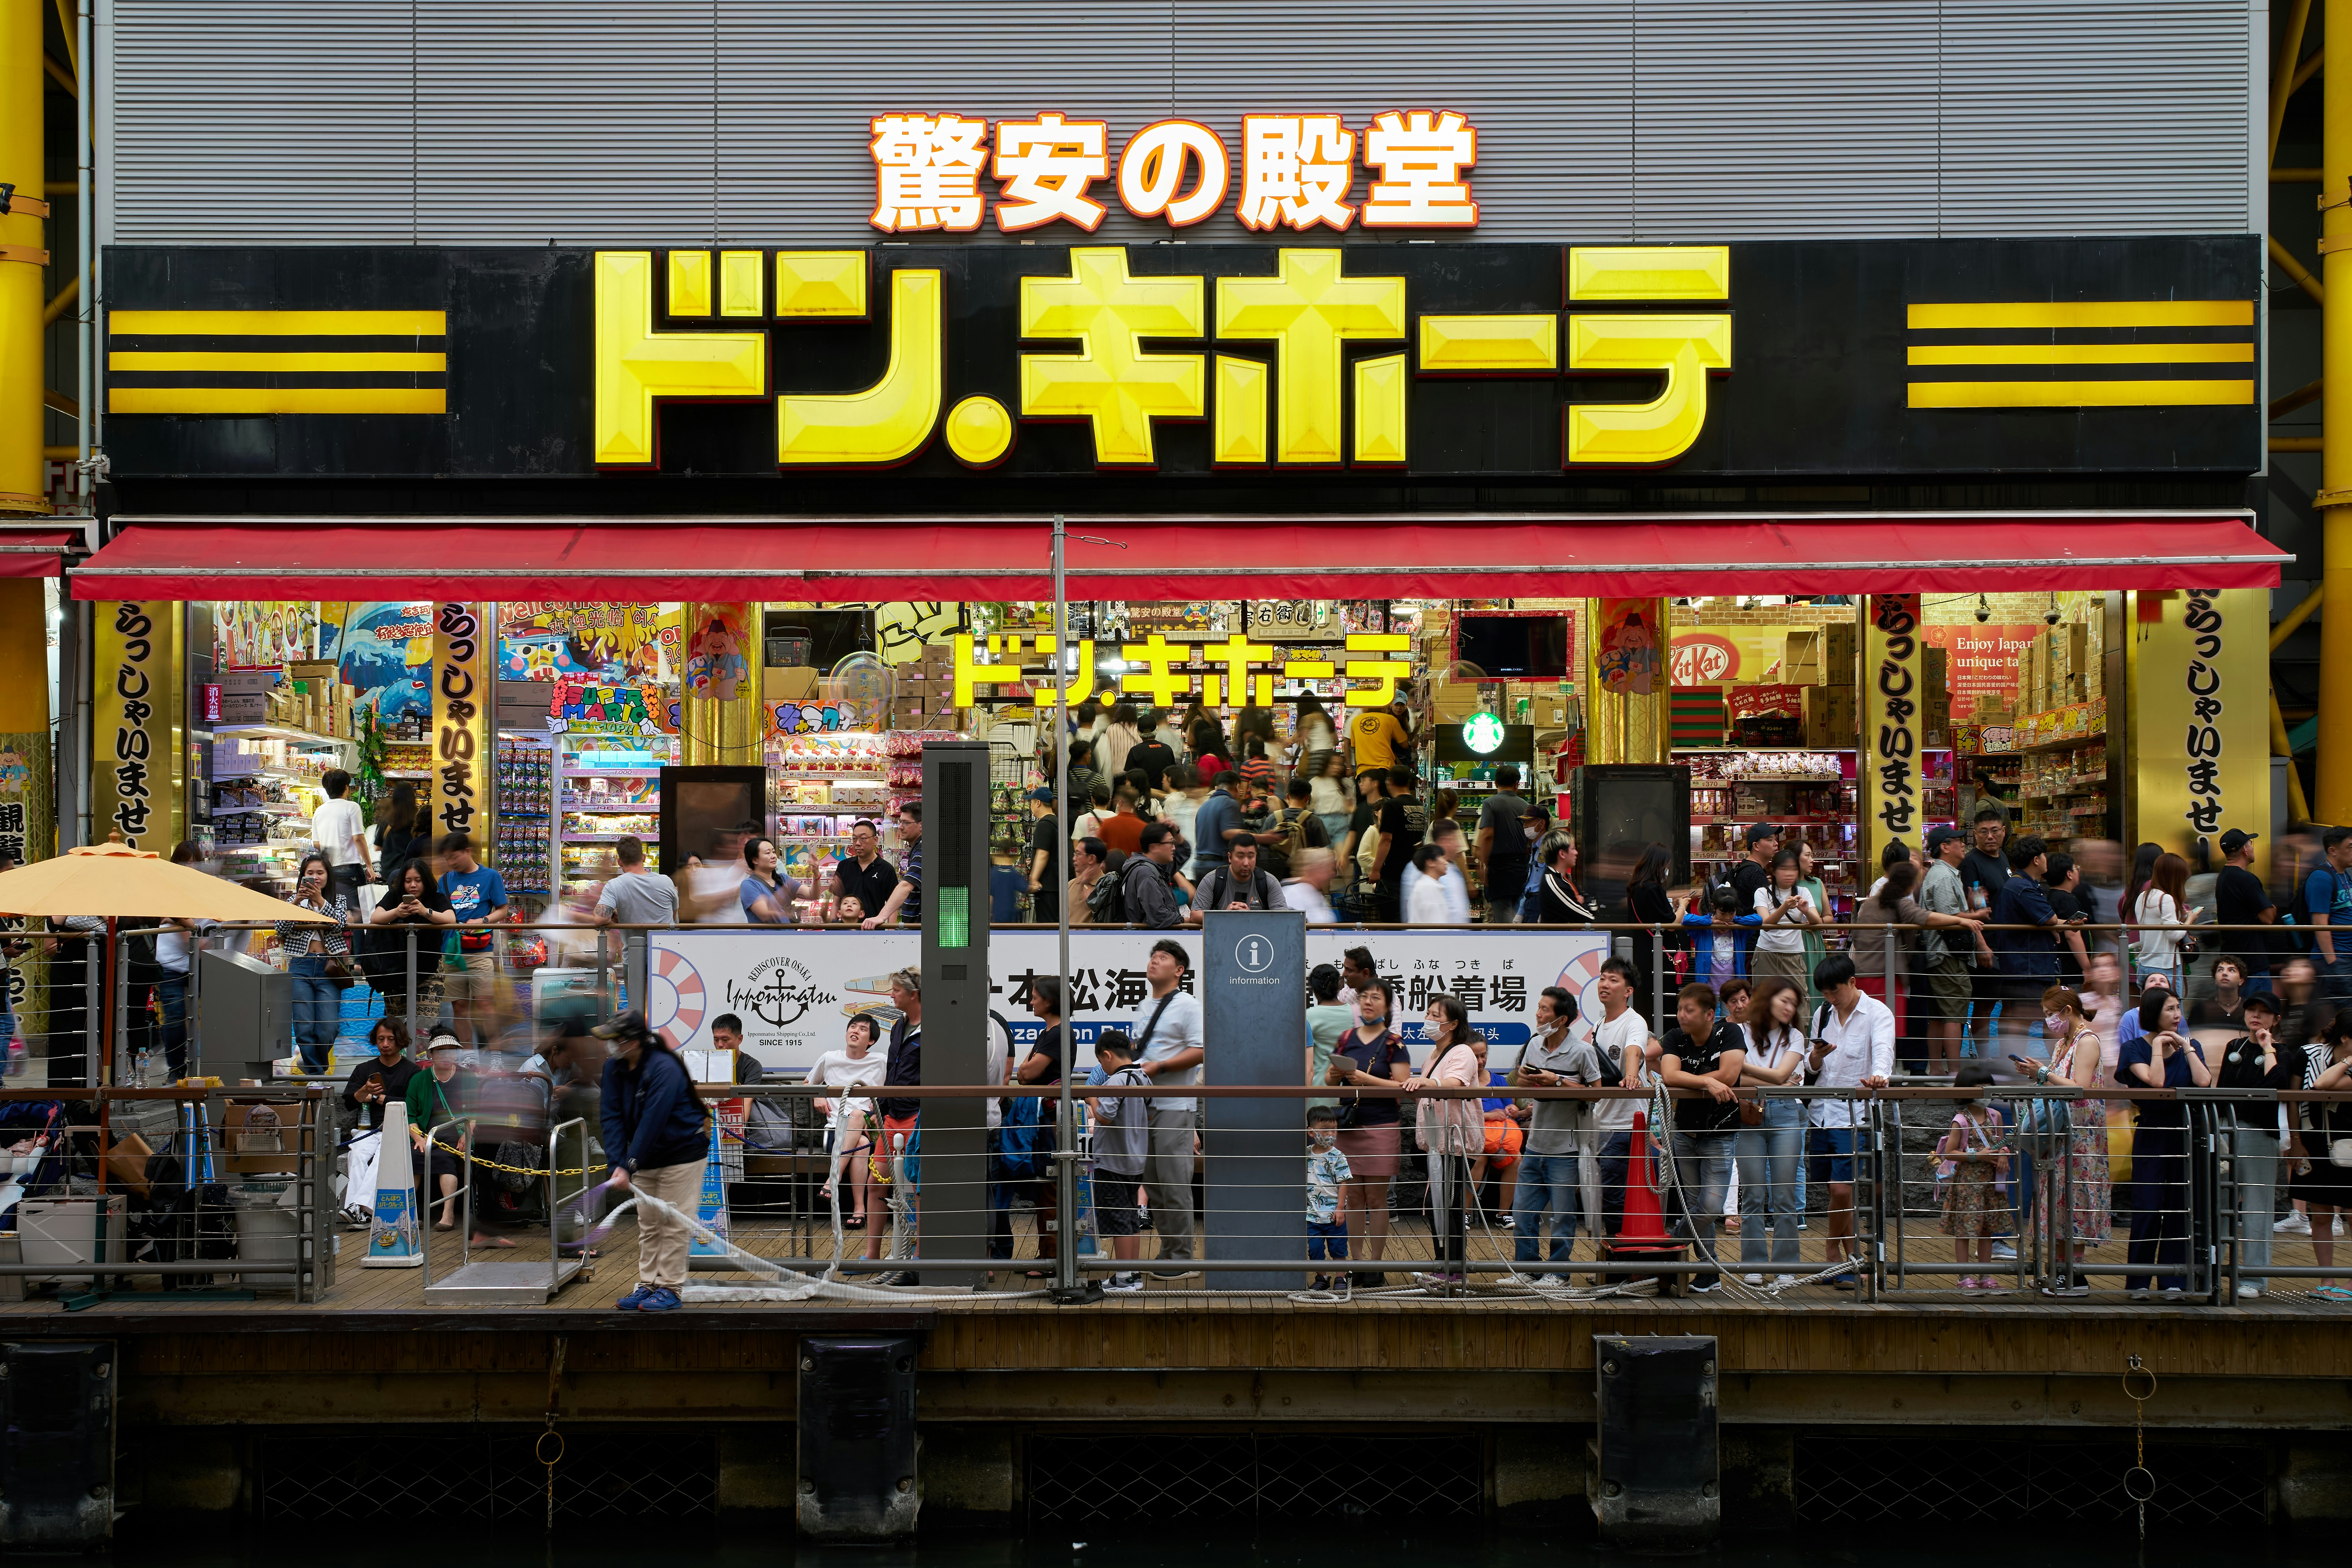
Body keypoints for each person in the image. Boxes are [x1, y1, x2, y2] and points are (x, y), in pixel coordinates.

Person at [594, 1010, 709, 1311]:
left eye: (616, 1039)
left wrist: (628, 1164)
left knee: (673, 1221)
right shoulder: (613, 1068)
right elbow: (611, 1117)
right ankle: (647, 1284)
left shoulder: (665, 1066)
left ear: (632, 1041)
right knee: (649, 1223)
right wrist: (617, 1162)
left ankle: (670, 1287)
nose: (610, 1045)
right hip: (644, 1157)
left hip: (682, 1152)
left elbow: (653, 1119)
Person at [1807, 954, 1895, 1288]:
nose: (1830, 999)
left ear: (1853, 983)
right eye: (1825, 993)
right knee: (1834, 1190)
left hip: (1853, 1114)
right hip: (1820, 1113)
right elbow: (1811, 1067)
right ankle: (1851, 1262)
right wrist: (1814, 1057)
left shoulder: (1877, 1013)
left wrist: (1879, 1076)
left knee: (1843, 1189)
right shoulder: (1821, 1014)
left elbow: (1883, 1051)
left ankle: (1832, 1254)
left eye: (1834, 992)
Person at [2116, 987, 2211, 1296]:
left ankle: (2174, 1278)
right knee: (2147, 1207)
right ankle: (2139, 1280)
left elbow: (2203, 1081)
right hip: (2152, 1132)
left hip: (2184, 1133)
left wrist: (2186, 1048)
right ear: (2154, 1013)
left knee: (2178, 1208)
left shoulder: (2190, 1045)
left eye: (2178, 1008)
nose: (2176, 1014)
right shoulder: (2133, 1047)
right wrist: (2158, 1045)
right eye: (2170, 1009)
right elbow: (2155, 1081)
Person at [2019, 984, 2112, 1287]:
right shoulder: (2062, 1043)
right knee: (2058, 1200)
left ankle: (2074, 1274)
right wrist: (2039, 1074)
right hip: (2062, 1131)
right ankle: (2056, 1270)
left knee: (2075, 1197)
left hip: (2082, 1133)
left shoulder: (2088, 1041)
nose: (2049, 1020)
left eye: (2051, 1014)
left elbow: (2079, 1085)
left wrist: (2043, 1073)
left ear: (2068, 1011)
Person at [2207, 989, 2295, 1297]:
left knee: (2258, 1209)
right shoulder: (2233, 1046)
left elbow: (2276, 1084)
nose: (2255, 1015)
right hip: (2226, 1130)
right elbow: (2221, 1092)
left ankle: (2255, 1279)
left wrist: (2267, 1046)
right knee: (2220, 1205)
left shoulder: (2282, 1052)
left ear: (2276, 1018)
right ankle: (2214, 1273)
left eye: (2263, 1011)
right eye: (2251, 1009)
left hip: (2260, 1135)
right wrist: (2217, 1131)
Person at [1325, 978, 1411, 1285]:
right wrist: (1335, 1073)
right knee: (1353, 1198)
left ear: (1388, 1006)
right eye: (1364, 996)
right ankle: (1356, 1263)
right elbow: (1328, 1082)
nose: (1368, 1002)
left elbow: (1402, 1087)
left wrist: (1364, 1078)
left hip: (1380, 1126)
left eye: (1376, 997)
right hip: (1349, 1127)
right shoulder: (1346, 1036)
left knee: (1376, 1198)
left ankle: (1375, 1266)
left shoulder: (1393, 1043)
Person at [1658, 981, 1745, 1287]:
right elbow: (1668, 1075)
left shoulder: (1730, 1033)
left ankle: (1669, 1242)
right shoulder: (1674, 1038)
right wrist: (1707, 1083)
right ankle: (1709, 1272)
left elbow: (1730, 1075)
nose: (1681, 1015)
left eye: (1689, 1010)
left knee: (1709, 1206)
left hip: (1720, 1131)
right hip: (1685, 1131)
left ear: (1710, 1014)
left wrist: (1691, 1079)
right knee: (1696, 1203)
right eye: (1680, 1008)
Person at [1511, 984, 1599, 1277]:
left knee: (1562, 1216)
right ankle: (1527, 1269)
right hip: (1535, 1143)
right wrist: (1527, 1078)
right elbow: (1521, 1085)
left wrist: (1557, 1082)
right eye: (1538, 1007)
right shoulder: (1534, 1043)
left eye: (1544, 1009)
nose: (1538, 1014)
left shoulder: (1582, 1051)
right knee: (1522, 1212)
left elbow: (1596, 1093)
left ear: (1561, 1019)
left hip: (1566, 1147)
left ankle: (1558, 1273)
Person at [1129, 938, 1205, 1274]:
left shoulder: (1188, 1005)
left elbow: (1201, 1050)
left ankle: (1181, 1257)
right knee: (1154, 1184)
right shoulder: (1144, 1005)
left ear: (1179, 970)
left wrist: (1160, 1067)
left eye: (1162, 957)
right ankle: (1168, 1250)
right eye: (1152, 956)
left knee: (1174, 1184)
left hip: (1175, 1104)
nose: (1154, 961)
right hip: (1144, 1105)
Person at [1733, 976, 1809, 1284]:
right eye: (1785, 1000)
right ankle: (1752, 1264)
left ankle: (1786, 1266)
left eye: (1794, 1003)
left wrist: (1741, 1066)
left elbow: (1780, 1076)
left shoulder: (1795, 1037)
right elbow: (1775, 1079)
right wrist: (1775, 1080)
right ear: (1768, 998)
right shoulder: (1738, 1031)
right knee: (1751, 1193)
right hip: (1748, 1113)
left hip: (1786, 1113)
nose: (1790, 1008)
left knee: (1784, 1194)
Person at [1407, 993, 1484, 1287]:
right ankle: (1444, 1268)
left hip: (1455, 1141)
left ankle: (1453, 1271)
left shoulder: (1461, 1052)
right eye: (1427, 1013)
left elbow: (1455, 1083)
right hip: (1435, 1141)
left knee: (1449, 1206)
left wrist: (1429, 1082)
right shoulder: (1433, 1054)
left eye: (1435, 1015)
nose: (1428, 1020)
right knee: (1436, 1204)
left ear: (1452, 1023)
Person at [406, 1033, 498, 1243]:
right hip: (427, 1134)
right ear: (431, 1054)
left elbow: (476, 1113)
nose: (447, 1055)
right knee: (414, 1158)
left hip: (458, 1133)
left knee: (445, 1159)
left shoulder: (468, 1078)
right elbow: (410, 1115)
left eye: (452, 1051)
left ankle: (448, 1213)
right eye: (441, 1051)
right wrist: (418, 1138)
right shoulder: (419, 1079)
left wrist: (467, 1134)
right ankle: (410, 1213)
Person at [1936, 1063, 2012, 1292]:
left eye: (1989, 1089)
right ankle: (1963, 1276)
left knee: (1987, 1230)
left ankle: (1986, 1275)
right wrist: (1976, 1156)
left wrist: (2004, 1156)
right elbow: (1950, 1152)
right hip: (1968, 1185)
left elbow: (2002, 1144)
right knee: (1965, 1230)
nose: (1985, 1094)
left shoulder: (1996, 1115)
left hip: (1990, 1184)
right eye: (1980, 1089)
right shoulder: (1961, 1120)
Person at [279, 852, 355, 1072]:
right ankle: (318, 1076)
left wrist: (319, 901)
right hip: (300, 966)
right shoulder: (293, 903)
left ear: (328, 876)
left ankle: (313, 1067)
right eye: (310, 873)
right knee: (304, 1026)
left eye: (320, 873)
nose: (316, 877)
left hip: (329, 968)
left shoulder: (337, 900)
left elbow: (339, 925)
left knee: (328, 1027)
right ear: (302, 876)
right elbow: (281, 928)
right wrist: (296, 902)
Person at [1088, 1030, 1150, 1293]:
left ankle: (1125, 1277)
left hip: (1113, 1162)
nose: (1103, 1067)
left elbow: (1105, 1116)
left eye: (1102, 1062)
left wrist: (1091, 1096)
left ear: (1107, 1055)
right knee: (1130, 1219)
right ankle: (1132, 1273)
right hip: (1135, 1160)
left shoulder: (1116, 1081)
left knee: (1117, 1219)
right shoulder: (1142, 1077)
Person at [810, 1015, 887, 1231]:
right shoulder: (830, 1058)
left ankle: (832, 1181)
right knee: (860, 1146)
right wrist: (818, 1095)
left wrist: (880, 1108)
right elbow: (809, 1083)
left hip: (868, 1128)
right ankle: (859, 1210)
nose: (855, 1031)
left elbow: (894, 1091)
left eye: (863, 1029)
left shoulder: (881, 1061)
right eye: (852, 1027)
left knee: (856, 1116)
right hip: (836, 1132)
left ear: (871, 1041)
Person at [1989, 836, 2064, 1055]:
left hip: (2027, 965)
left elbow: (2046, 919)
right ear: (2036, 860)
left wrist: (2060, 924)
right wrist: (2057, 925)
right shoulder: (2023, 887)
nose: (2046, 859)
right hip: (2029, 966)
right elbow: (2050, 918)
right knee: (2028, 1017)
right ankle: (2014, 1068)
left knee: (2037, 1017)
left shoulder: (2021, 884)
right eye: (2043, 855)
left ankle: (2028, 1067)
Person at [870, 968, 924, 1262]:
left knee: (917, 1186)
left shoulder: (935, 1027)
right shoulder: (898, 1025)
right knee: (876, 1180)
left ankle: (918, 1252)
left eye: (896, 990)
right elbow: (892, 1070)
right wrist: (883, 1108)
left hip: (918, 1112)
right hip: (892, 1113)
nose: (891, 995)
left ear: (913, 994)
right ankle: (871, 1253)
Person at [1919, 826, 1983, 1072]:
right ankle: (1955, 1073)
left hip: (1939, 953)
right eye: (1958, 841)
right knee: (1955, 1014)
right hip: (1949, 953)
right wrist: (1974, 914)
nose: (1963, 844)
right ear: (1945, 847)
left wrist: (1970, 912)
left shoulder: (1941, 874)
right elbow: (1949, 917)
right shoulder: (1944, 877)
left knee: (1938, 1015)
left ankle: (1937, 1070)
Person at [437, 833, 510, 1042]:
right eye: (447, 859)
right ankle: (468, 1057)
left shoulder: (491, 876)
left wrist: (483, 921)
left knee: (485, 1005)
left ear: (467, 852)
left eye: (454, 857)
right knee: (459, 1007)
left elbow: (503, 910)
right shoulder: (445, 880)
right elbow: (442, 910)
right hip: (452, 951)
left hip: (480, 950)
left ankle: (496, 1057)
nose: (451, 863)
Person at [2301, 1009, 2352, 1298]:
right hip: (2320, 1143)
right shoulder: (2314, 1055)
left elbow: (2321, 1086)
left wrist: (2347, 1060)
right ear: (2345, 1038)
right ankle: (2327, 1279)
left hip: (2348, 1147)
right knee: (2320, 1214)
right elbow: (2319, 1084)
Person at [153, 840, 208, 1078]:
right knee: (174, 1017)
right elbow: (187, 931)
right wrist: (186, 925)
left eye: (196, 863)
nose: (191, 867)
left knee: (206, 1018)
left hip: (200, 963)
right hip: (170, 963)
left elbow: (191, 927)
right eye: (186, 862)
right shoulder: (165, 887)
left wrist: (181, 923)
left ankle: (203, 1069)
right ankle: (176, 1069)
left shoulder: (207, 890)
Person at [1962, 808, 2013, 1050]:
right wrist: (1981, 944)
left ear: (2004, 832)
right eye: (1984, 832)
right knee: (1984, 1003)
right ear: (1975, 834)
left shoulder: (2003, 858)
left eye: (1995, 831)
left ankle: (2007, 1060)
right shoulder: (1971, 864)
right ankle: (1982, 1060)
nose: (1990, 836)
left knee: (2007, 1003)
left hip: (2008, 943)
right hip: (1987, 943)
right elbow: (1977, 905)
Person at [2132, 851, 2201, 996]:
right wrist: (2190, 920)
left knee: (2150, 1013)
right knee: (2171, 1013)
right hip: (2165, 968)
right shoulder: (2166, 899)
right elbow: (2174, 935)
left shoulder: (2142, 897)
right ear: (2175, 878)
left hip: (2145, 965)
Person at [2213, 829, 2275, 985]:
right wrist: (2273, 908)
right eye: (2251, 844)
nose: (2253, 848)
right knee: (2259, 1007)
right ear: (2245, 850)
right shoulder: (2247, 879)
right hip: (2252, 963)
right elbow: (2268, 918)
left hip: (2230, 961)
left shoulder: (2223, 877)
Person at [1472, 767, 1532, 925]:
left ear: (1495, 783)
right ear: (1517, 784)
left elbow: (1487, 835)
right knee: (1519, 917)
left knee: (1502, 922)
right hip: (1521, 869)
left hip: (1498, 869)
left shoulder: (1490, 803)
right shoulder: (1526, 806)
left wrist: (1483, 865)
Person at [1751, 849, 1816, 992]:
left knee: (1798, 1001)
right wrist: (1785, 907)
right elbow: (1766, 925)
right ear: (1774, 871)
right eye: (1784, 869)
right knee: (1763, 1002)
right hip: (1766, 954)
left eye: (1794, 869)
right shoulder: (1762, 892)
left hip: (1793, 954)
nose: (1789, 874)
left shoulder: (1803, 892)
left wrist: (1806, 912)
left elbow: (1818, 923)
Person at [1305, 1105, 1353, 1293]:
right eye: (1325, 1129)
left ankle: (1341, 1278)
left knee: (1338, 1248)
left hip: (1334, 1214)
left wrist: (1340, 1208)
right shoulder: (1306, 1154)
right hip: (1312, 1215)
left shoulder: (1338, 1157)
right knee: (1315, 1249)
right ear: (1312, 1132)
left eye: (1334, 1129)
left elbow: (1344, 1183)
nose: (1331, 1133)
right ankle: (1322, 1277)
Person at [1371, 765, 1428, 922]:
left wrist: (1376, 870)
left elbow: (1386, 839)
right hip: (1413, 872)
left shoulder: (1391, 805)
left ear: (1389, 782)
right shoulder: (1418, 805)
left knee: (1390, 923)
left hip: (1393, 875)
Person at [341, 1016, 418, 1131]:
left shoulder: (413, 1071)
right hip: (366, 1131)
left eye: (391, 1039)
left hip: (401, 1131)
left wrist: (374, 1097)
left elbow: (414, 1105)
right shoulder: (363, 1069)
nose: (385, 1044)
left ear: (401, 1040)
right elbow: (349, 1105)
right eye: (381, 1039)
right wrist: (365, 1090)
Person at [312, 767, 372, 904]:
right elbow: (358, 838)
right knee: (357, 911)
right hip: (350, 869)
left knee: (333, 908)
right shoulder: (352, 807)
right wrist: (369, 865)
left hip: (329, 870)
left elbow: (316, 843)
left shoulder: (319, 811)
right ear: (346, 787)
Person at [2305, 829, 2352, 1003]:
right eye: (2350, 847)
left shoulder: (2344, 875)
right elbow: (2320, 925)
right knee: (2340, 1015)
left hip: (2347, 957)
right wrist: (2334, 963)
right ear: (2333, 851)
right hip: (2335, 960)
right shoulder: (2322, 878)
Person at [1728, 823, 1780, 974]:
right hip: (1754, 946)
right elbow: (1767, 912)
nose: (1776, 843)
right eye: (1770, 840)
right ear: (1756, 846)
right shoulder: (1755, 873)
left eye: (1775, 839)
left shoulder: (1747, 869)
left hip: (1745, 943)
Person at [595, 834, 678, 928]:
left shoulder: (614, 885)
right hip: (665, 942)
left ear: (620, 862)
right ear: (644, 858)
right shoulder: (666, 881)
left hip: (633, 942)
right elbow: (673, 915)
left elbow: (600, 919)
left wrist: (613, 914)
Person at [1189, 837, 1284, 918]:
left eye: (1251, 857)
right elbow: (1195, 914)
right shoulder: (1213, 879)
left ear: (1256, 856)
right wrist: (1224, 915)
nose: (1246, 863)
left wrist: (1251, 916)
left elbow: (1284, 916)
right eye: (1240, 857)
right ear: (1230, 857)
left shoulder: (1268, 881)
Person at [831, 819, 899, 922]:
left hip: (874, 933)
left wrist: (891, 934)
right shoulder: (844, 866)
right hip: (846, 932)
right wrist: (833, 929)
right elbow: (836, 903)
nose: (858, 843)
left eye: (863, 839)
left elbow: (893, 907)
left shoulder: (886, 869)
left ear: (875, 840)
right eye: (854, 839)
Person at [1123, 822, 1185, 930]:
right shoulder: (1146, 873)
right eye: (1171, 843)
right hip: (1148, 940)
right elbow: (1159, 917)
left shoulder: (1159, 867)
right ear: (1154, 847)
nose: (1174, 848)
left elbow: (1184, 853)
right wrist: (1186, 920)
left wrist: (1177, 832)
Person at [738, 836, 802, 925]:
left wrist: (816, 876)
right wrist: (787, 914)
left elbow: (812, 894)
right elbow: (765, 915)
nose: (773, 856)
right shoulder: (747, 883)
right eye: (768, 853)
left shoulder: (780, 872)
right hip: (764, 935)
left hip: (787, 933)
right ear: (755, 860)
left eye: (773, 852)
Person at [1535, 831, 1597, 924]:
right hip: (1560, 938)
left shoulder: (1564, 878)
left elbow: (1592, 902)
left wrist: (1581, 903)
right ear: (1562, 854)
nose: (1576, 853)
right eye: (1573, 848)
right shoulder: (1554, 883)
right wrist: (1582, 903)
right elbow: (1588, 918)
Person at [373, 783, 430, 877]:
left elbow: (378, 847)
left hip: (389, 872)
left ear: (394, 797)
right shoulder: (418, 820)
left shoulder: (387, 820)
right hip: (412, 872)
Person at [1349, 699, 1411, 776]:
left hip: (1363, 772)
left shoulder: (1356, 721)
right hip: (1385, 768)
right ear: (1384, 707)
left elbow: (1354, 746)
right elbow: (1405, 745)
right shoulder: (1390, 719)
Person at [1284, 845, 1339, 924]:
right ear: (1318, 868)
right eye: (1330, 869)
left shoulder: (1316, 893)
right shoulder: (1293, 894)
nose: (1333, 874)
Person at [1125, 713, 1177, 795]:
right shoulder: (1168, 750)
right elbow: (1174, 775)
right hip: (1165, 797)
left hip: (1143, 798)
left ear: (1138, 732)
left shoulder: (1135, 751)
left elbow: (1130, 780)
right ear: (1156, 730)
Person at [1065, 836, 1110, 926]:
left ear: (1091, 859)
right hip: (1068, 939)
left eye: (1078, 854)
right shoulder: (1070, 885)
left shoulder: (1108, 886)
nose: (1074, 858)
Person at [1097, 788, 1145, 860]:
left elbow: (1100, 852)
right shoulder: (1144, 827)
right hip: (1134, 868)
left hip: (1111, 868)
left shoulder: (1107, 824)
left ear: (1120, 803)